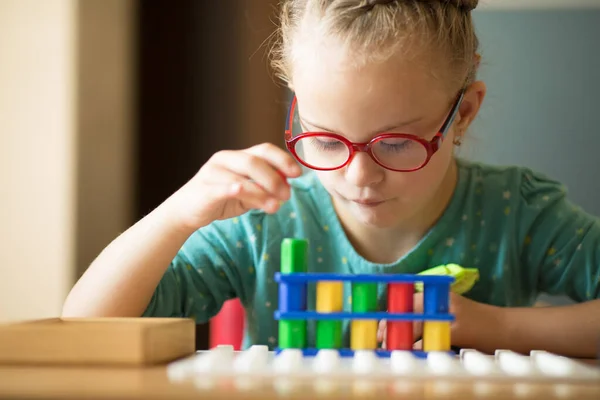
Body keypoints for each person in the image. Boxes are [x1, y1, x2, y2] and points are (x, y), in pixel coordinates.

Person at [62, 0, 600, 358]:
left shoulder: (517, 211)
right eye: (324, 139)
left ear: (463, 114)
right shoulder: (264, 223)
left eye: (395, 143)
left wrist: (498, 329)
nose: (358, 175)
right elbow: (86, 328)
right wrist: (178, 214)